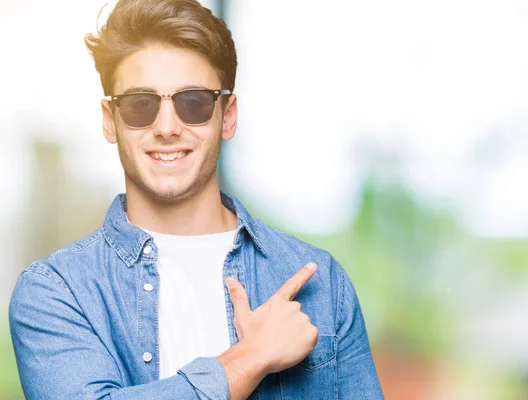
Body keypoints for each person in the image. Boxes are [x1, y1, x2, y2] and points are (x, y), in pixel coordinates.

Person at [8, 0, 383, 399]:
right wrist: (250, 357)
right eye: (140, 105)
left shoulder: (321, 284)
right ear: (109, 120)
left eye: (193, 103)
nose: (167, 127)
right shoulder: (56, 292)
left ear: (229, 114)